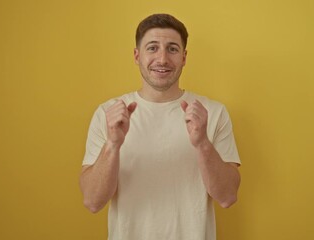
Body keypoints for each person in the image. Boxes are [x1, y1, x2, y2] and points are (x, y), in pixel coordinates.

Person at [80, 13, 241, 240]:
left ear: (184, 57)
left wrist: (202, 143)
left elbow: (227, 197)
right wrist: (113, 144)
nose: (163, 59)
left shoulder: (213, 113)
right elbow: (92, 201)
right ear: (137, 55)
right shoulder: (109, 114)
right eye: (152, 48)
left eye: (172, 49)